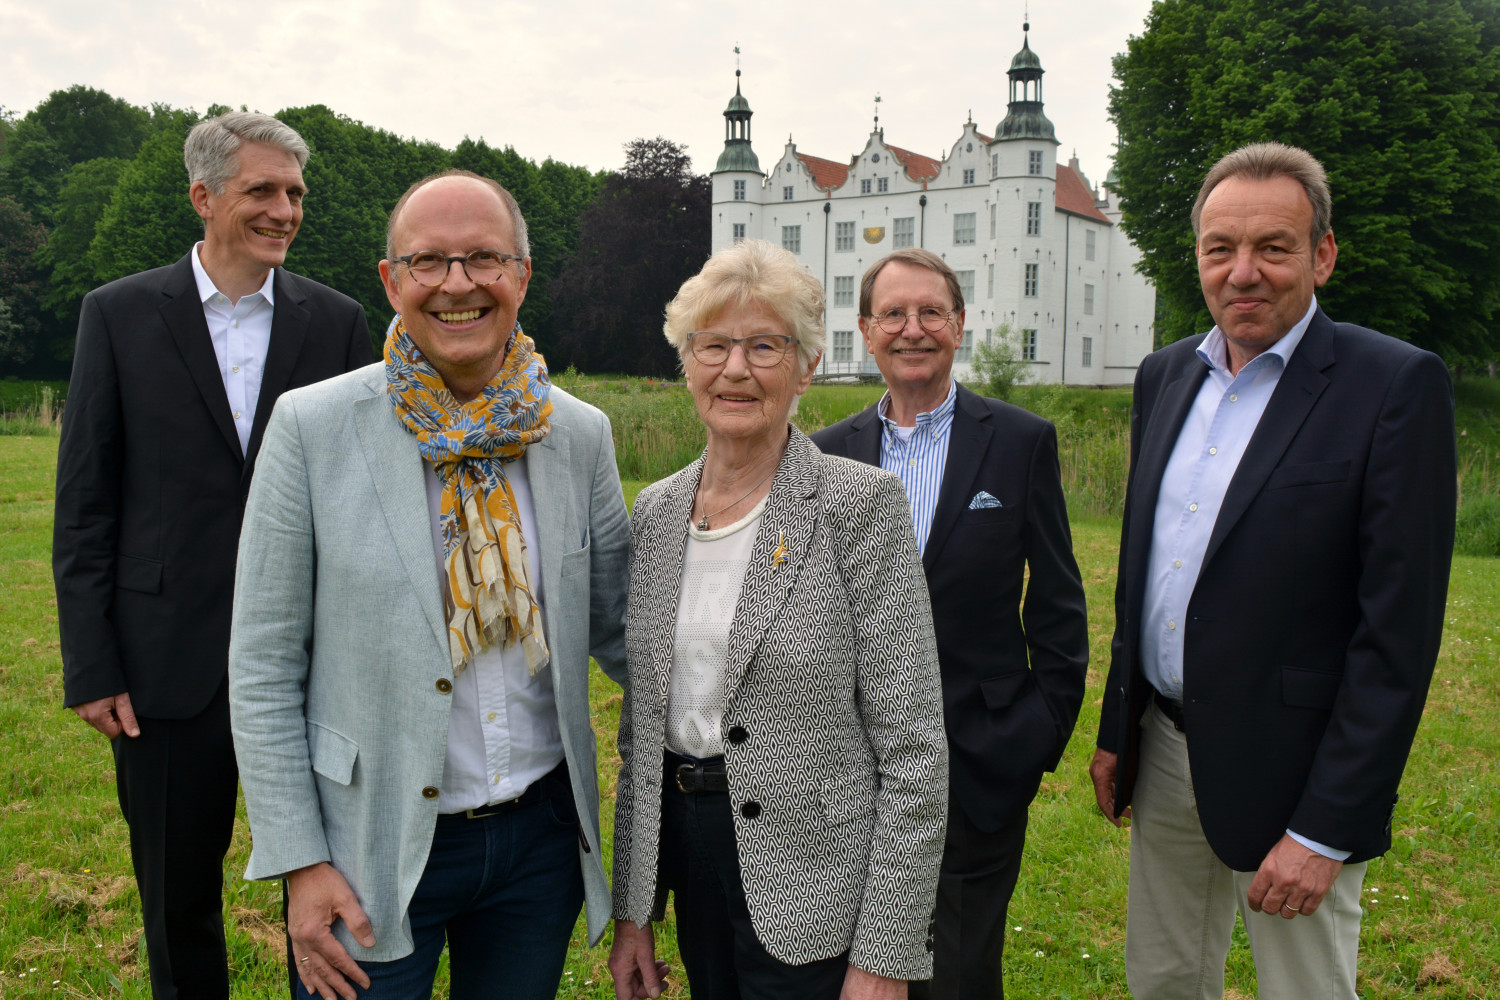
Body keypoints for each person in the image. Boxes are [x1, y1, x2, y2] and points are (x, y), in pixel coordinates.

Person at [228, 169, 629, 1000]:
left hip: (538, 847)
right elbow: (262, 667)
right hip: (365, 848)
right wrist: (300, 862)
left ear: (521, 274)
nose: (458, 285)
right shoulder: (311, 427)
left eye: (484, 258)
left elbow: (625, 629)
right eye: (430, 262)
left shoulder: (579, 434)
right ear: (392, 281)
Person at [1089, 142, 1456, 1000]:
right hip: (1167, 748)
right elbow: (1145, 572)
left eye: (1274, 248)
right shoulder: (1164, 374)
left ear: (1322, 254)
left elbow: (1396, 636)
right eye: (1221, 248)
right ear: (1198, 257)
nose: (1242, 272)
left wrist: (1326, 829)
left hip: (1299, 768)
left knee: (1306, 991)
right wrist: (1121, 726)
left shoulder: (1394, 385)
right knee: (1165, 980)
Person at [52, 111, 370, 1000]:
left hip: (314, 665)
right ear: (203, 195)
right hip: (164, 666)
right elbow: (84, 502)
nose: (284, 210)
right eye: (262, 190)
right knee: (175, 897)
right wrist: (91, 661)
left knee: (329, 892)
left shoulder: (338, 322)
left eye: (295, 194)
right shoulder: (115, 316)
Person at [608, 239, 948, 1000]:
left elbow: (916, 747)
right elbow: (642, 731)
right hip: (694, 858)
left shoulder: (860, 507)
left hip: (818, 875)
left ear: (806, 367)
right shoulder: (657, 512)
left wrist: (886, 955)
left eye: (764, 346)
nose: (736, 370)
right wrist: (636, 912)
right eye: (714, 345)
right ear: (686, 362)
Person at [811, 248, 1088, 1000]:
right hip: (852, 771)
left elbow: (1059, 605)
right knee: (854, 976)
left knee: (958, 975)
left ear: (959, 326)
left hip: (979, 764)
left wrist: (1035, 733)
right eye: (893, 314)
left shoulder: (1021, 441)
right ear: (866, 331)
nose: (913, 329)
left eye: (931, 312)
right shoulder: (825, 454)